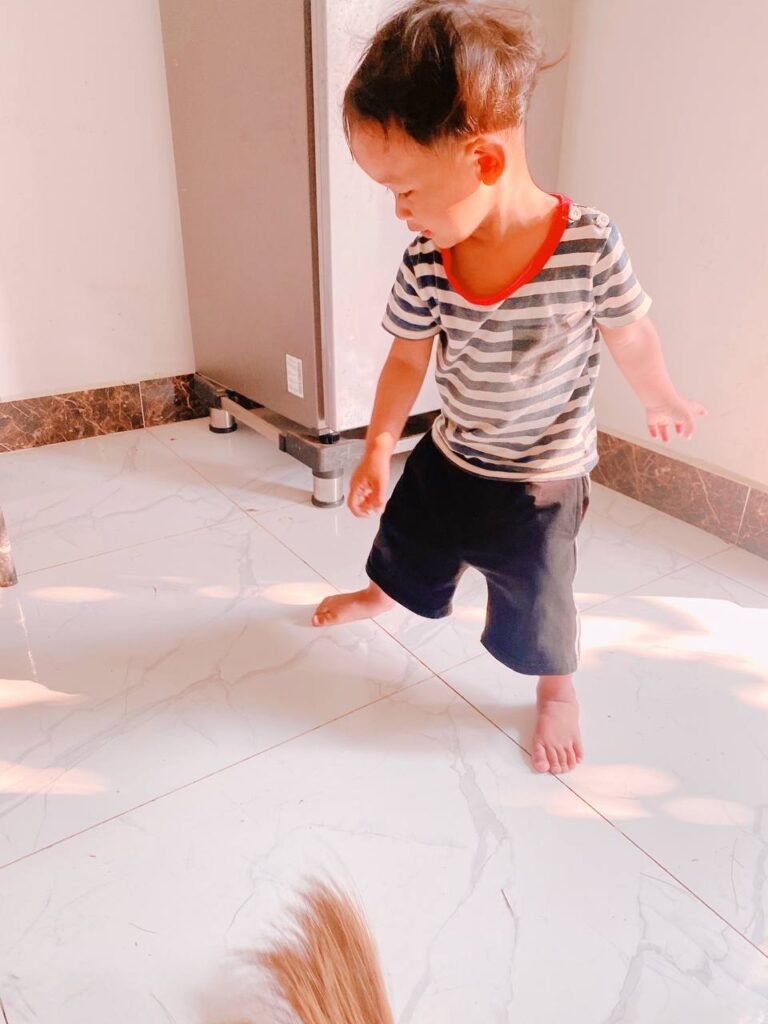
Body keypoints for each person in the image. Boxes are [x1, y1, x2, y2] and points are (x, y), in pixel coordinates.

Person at [312, 0, 706, 775]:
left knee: (539, 592)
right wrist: (381, 444)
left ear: (484, 162)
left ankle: (557, 687)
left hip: (541, 479)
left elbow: (630, 334)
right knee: (408, 540)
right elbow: (406, 360)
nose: (400, 213)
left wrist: (660, 396)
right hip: (454, 453)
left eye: (406, 191)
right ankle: (385, 597)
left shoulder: (587, 245)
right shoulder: (427, 261)